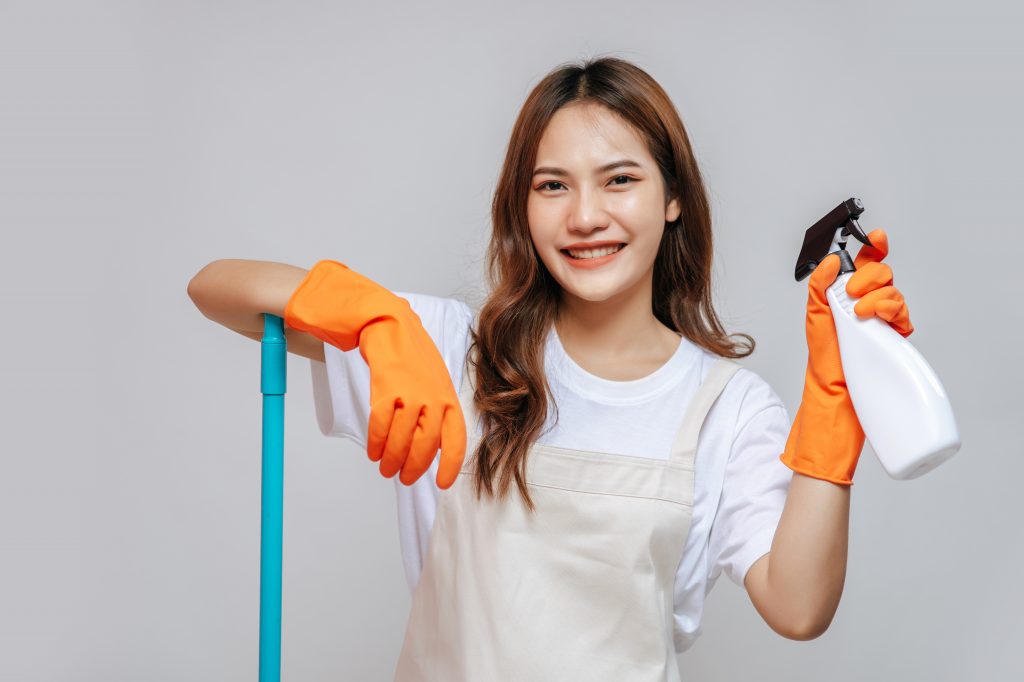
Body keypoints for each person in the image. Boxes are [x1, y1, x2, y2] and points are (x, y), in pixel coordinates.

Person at [188, 56, 914, 681]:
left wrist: (834, 399)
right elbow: (217, 288)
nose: (585, 217)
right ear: (522, 207)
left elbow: (798, 606)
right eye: (552, 186)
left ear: (672, 200)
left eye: (619, 179)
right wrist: (373, 315)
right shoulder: (450, 349)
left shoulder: (726, 406)